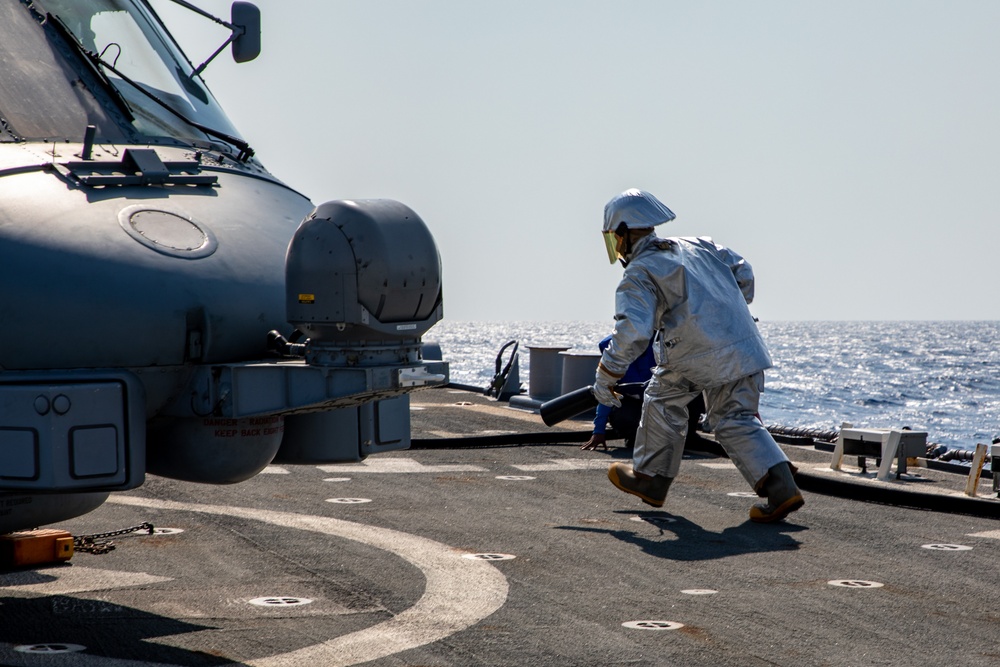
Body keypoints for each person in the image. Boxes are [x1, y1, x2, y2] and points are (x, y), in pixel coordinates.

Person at [591, 188, 803, 523]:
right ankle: (782, 487)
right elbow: (744, 274)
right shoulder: (700, 245)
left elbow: (633, 331)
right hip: (745, 344)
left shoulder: (640, 272)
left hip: (693, 354)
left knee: (662, 399)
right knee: (736, 418)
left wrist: (607, 376)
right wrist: (724, 314)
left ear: (623, 234)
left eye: (614, 240)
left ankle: (651, 480)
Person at [582, 335, 654, 451]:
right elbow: (606, 391)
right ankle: (632, 436)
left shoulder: (665, 343)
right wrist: (599, 431)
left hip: (662, 399)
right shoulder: (611, 348)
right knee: (625, 417)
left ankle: (687, 435)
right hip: (631, 401)